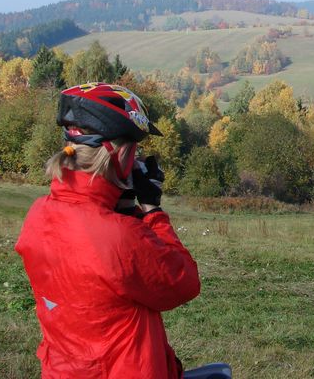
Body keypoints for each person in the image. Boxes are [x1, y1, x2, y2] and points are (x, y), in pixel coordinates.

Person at [15, 82, 200, 378]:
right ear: (120, 155)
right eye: (135, 151)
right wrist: (152, 209)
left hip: (63, 369)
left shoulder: (39, 214)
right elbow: (183, 282)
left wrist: (124, 205)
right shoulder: (120, 237)